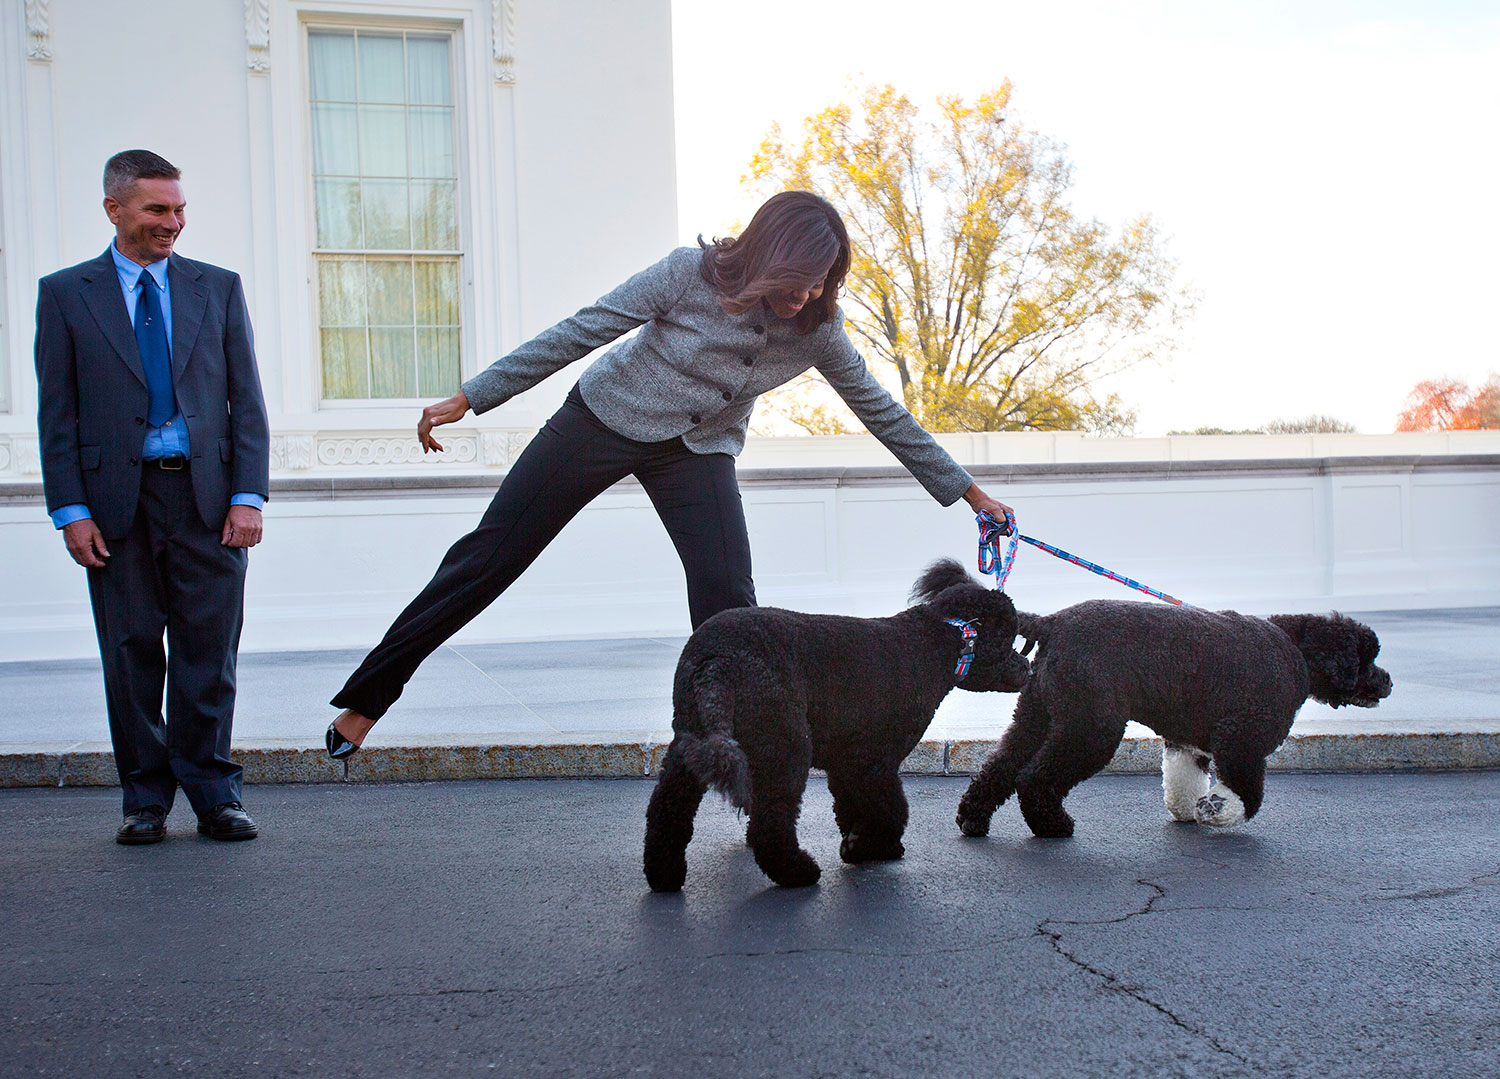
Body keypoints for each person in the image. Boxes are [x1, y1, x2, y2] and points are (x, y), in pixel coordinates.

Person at [326, 191, 1011, 757]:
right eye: (795, 279)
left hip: (699, 449)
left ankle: (740, 750)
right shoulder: (689, 272)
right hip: (603, 417)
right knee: (488, 558)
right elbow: (582, 329)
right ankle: (366, 701)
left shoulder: (819, 331)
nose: (805, 294)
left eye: (820, 281)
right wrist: (473, 395)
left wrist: (970, 493)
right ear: (767, 256)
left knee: (730, 599)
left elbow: (883, 412)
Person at [34, 150, 271, 844]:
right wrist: (70, 510)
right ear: (115, 210)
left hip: (207, 500)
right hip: (115, 506)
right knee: (131, 651)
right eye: (158, 210)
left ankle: (214, 793)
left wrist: (248, 495)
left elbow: (245, 403)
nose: (174, 222)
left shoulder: (217, 288)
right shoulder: (66, 294)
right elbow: (59, 414)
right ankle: (144, 799)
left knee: (209, 652)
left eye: (179, 209)